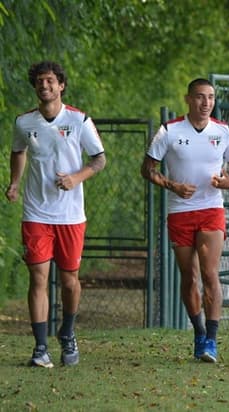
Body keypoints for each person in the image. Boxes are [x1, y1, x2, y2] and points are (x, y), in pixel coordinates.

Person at [6, 61, 107, 368]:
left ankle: (68, 332)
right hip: (36, 213)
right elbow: (18, 151)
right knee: (38, 278)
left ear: (61, 85)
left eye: (50, 80)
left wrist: (76, 178)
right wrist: (14, 183)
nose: (44, 85)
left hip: (71, 216)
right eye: (39, 81)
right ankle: (40, 348)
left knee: (69, 281)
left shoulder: (78, 120)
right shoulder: (24, 123)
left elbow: (99, 159)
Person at [141, 78, 229, 363]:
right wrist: (173, 185)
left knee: (210, 273)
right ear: (188, 99)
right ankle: (198, 331)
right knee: (190, 276)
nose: (206, 102)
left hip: (211, 208)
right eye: (200, 97)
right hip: (180, 211)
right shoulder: (169, 131)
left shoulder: (224, 131)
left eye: (210, 97)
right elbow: (147, 169)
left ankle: (211, 339)